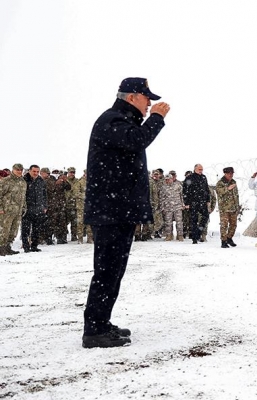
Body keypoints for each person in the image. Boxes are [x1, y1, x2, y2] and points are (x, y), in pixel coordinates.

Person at [83, 77, 170, 348]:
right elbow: (137, 141)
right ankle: (94, 330)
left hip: (118, 210)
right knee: (107, 271)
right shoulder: (112, 120)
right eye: (147, 99)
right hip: (111, 211)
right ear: (131, 97)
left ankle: (102, 322)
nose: (150, 105)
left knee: (114, 270)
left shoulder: (123, 120)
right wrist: (156, 118)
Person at [0, 164, 27, 256]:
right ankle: (1, 248)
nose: (19, 171)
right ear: (13, 170)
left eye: (21, 170)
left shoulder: (23, 182)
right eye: (17, 169)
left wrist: (24, 207)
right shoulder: (6, 181)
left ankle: (8, 247)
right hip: (6, 211)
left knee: (13, 231)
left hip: (17, 211)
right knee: (4, 230)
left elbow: (23, 196)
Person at [21, 165, 48, 253]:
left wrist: (45, 206)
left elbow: (44, 195)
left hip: (39, 209)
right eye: (34, 171)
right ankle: (26, 247)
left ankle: (34, 246)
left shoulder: (41, 181)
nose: (36, 173)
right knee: (26, 229)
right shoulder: (24, 180)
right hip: (27, 209)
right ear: (29, 171)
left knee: (37, 229)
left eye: (37, 171)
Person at [183, 164, 210, 244]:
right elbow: (185, 191)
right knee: (193, 220)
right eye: (199, 169)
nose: (201, 171)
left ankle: (198, 232)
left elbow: (206, 189)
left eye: (202, 169)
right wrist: (186, 203)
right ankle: (194, 238)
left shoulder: (204, 177)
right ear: (195, 169)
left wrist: (208, 200)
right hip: (193, 201)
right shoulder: (189, 178)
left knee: (205, 216)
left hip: (202, 201)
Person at [215, 167, 240, 248]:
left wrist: (237, 206)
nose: (231, 175)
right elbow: (219, 192)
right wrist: (227, 188)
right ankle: (223, 241)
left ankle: (229, 238)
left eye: (232, 173)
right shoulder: (220, 183)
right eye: (229, 173)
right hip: (224, 208)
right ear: (225, 173)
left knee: (233, 225)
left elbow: (236, 195)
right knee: (224, 225)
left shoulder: (233, 182)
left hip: (233, 207)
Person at [160, 171, 185, 241]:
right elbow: (162, 198)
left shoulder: (178, 186)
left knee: (179, 222)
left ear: (172, 179)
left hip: (177, 206)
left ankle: (180, 235)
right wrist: (162, 208)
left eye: (169, 179)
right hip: (168, 207)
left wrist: (183, 204)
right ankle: (169, 235)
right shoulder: (163, 187)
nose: (167, 181)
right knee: (168, 222)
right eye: (166, 179)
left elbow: (182, 196)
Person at [71, 170, 92, 244]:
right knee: (80, 222)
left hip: (90, 206)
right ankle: (80, 238)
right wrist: (85, 196)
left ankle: (90, 238)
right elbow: (75, 193)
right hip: (81, 206)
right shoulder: (79, 182)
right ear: (85, 174)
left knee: (90, 222)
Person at [65, 167, 78, 241]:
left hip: (74, 204)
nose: (72, 174)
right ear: (68, 173)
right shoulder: (64, 180)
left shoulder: (77, 181)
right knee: (64, 221)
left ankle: (74, 235)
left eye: (73, 172)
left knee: (74, 221)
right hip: (65, 204)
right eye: (71, 172)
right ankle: (63, 236)